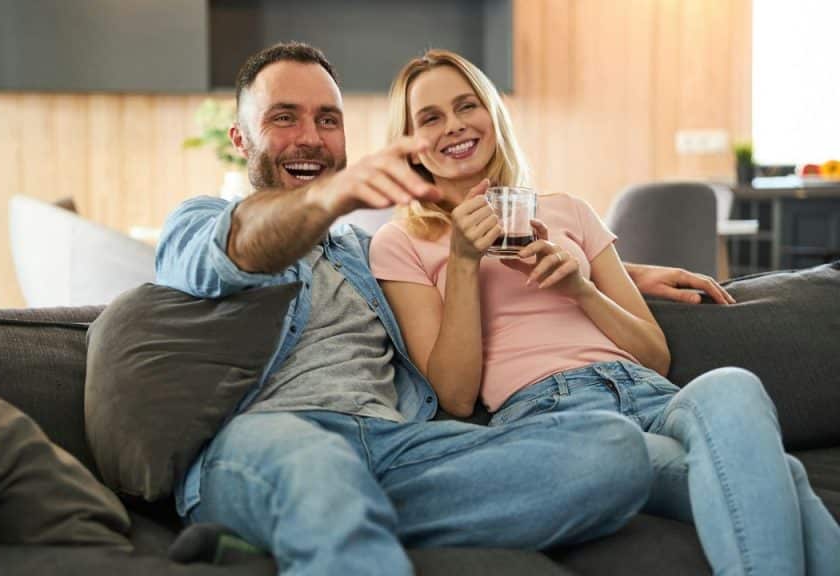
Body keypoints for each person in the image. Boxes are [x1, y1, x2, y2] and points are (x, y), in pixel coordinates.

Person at [155, 42, 659, 576]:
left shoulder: (363, 252)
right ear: (240, 139)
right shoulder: (202, 221)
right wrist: (331, 196)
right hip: (273, 439)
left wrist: (626, 274)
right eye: (284, 117)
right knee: (318, 467)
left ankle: (300, 528)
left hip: (397, 448)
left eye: (328, 119)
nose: (311, 137)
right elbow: (243, 245)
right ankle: (312, 515)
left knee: (614, 452)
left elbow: (442, 279)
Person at [369, 49, 840, 576]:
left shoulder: (569, 211)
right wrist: (462, 260)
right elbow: (455, 397)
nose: (454, 126)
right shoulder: (401, 242)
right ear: (409, 143)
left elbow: (654, 355)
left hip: (654, 397)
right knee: (780, 475)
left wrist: (580, 287)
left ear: (492, 115)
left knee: (733, 384)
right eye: (430, 118)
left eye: (466, 105)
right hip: (560, 419)